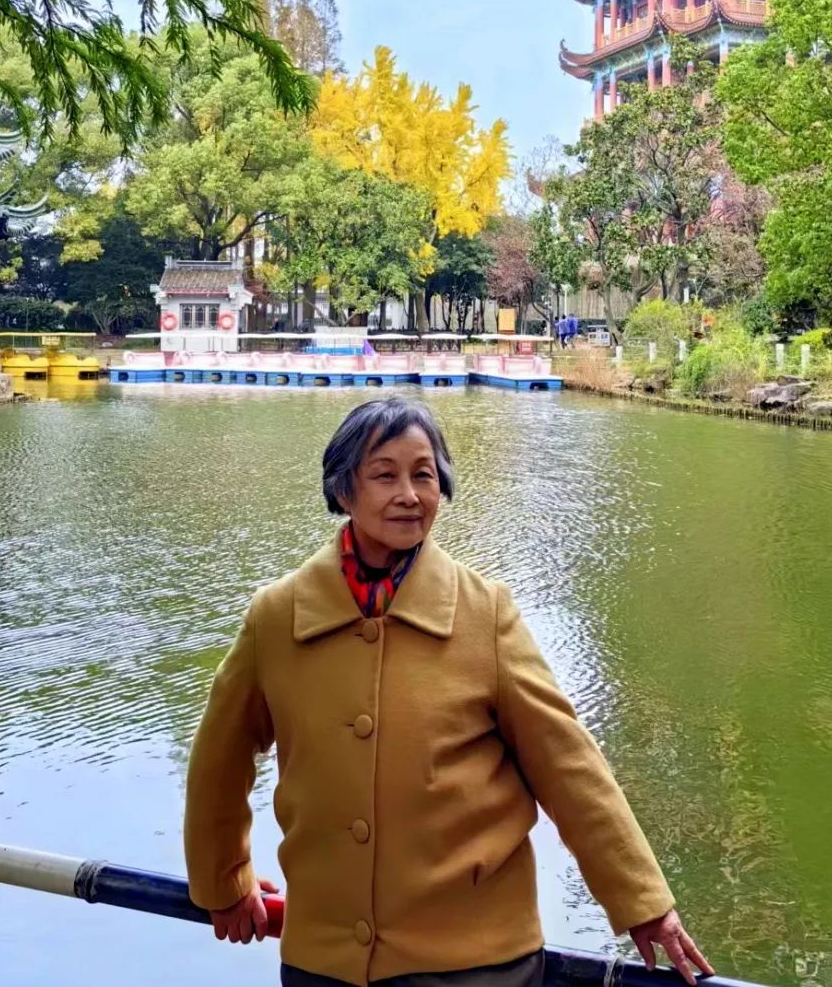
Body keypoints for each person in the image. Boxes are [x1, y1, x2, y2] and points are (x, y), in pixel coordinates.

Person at [184, 397, 714, 987]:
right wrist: (223, 882)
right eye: (384, 475)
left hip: (476, 963)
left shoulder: (485, 613)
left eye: (424, 474)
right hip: (324, 962)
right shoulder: (277, 617)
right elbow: (219, 761)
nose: (409, 495)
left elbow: (568, 766)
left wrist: (642, 902)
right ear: (343, 490)